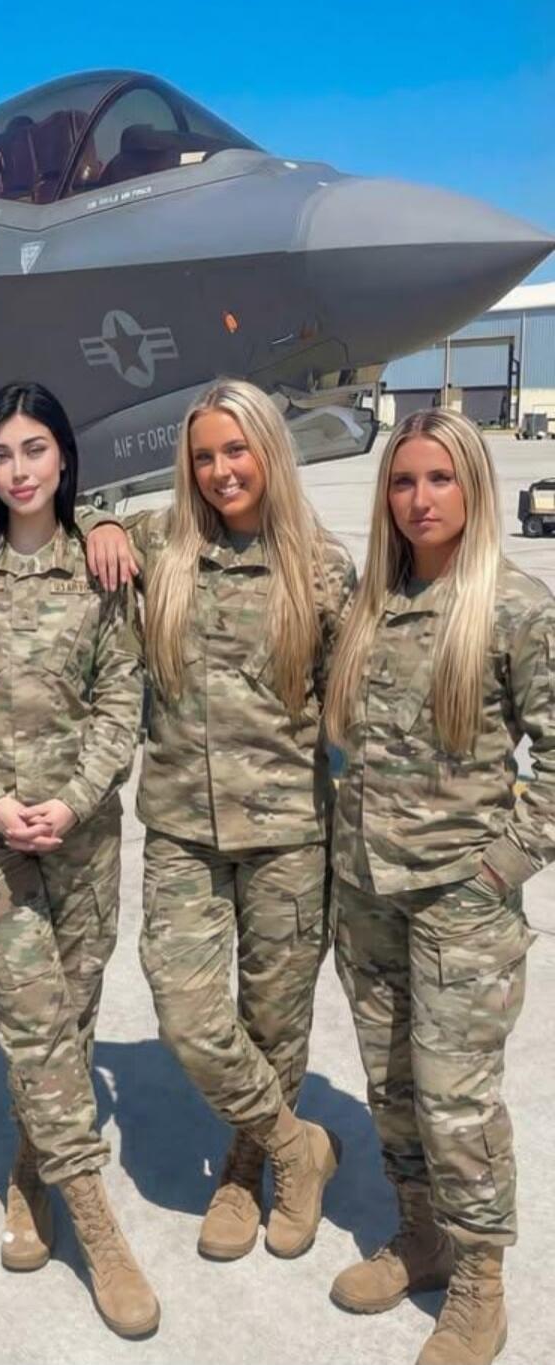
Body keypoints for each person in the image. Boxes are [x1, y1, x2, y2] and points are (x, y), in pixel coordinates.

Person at [83, 379, 354, 1263]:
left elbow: (358, 709)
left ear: (270, 451)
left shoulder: (320, 567)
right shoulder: (165, 544)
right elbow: (85, 519)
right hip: (182, 829)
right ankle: (294, 1145)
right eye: (203, 456)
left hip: (288, 834)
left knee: (275, 1025)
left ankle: (244, 1171)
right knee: (188, 1012)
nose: (220, 470)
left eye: (235, 451)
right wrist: (106, 522)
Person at [0, 381, 157, 1338]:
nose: (19, 470)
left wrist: (72, 799)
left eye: (37, 450)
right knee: (36, 1018)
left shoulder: (102, 571)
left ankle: (28, 1173)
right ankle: (95, 1222)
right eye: (3, 453)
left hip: (83, 836)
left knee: (73, 1015)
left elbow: (120, 699)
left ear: (63, 460)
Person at [324, 408, 549, 1365]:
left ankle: (478, 1281)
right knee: (392, 1086)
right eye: (404, 481)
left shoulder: (514, 607)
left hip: (462, 898)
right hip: (368, 890)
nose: (421, 499)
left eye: (441, 479)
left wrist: (504, 864)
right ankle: (418, 1232)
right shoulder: (371, 604)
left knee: (458, 1101)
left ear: (474, 488)